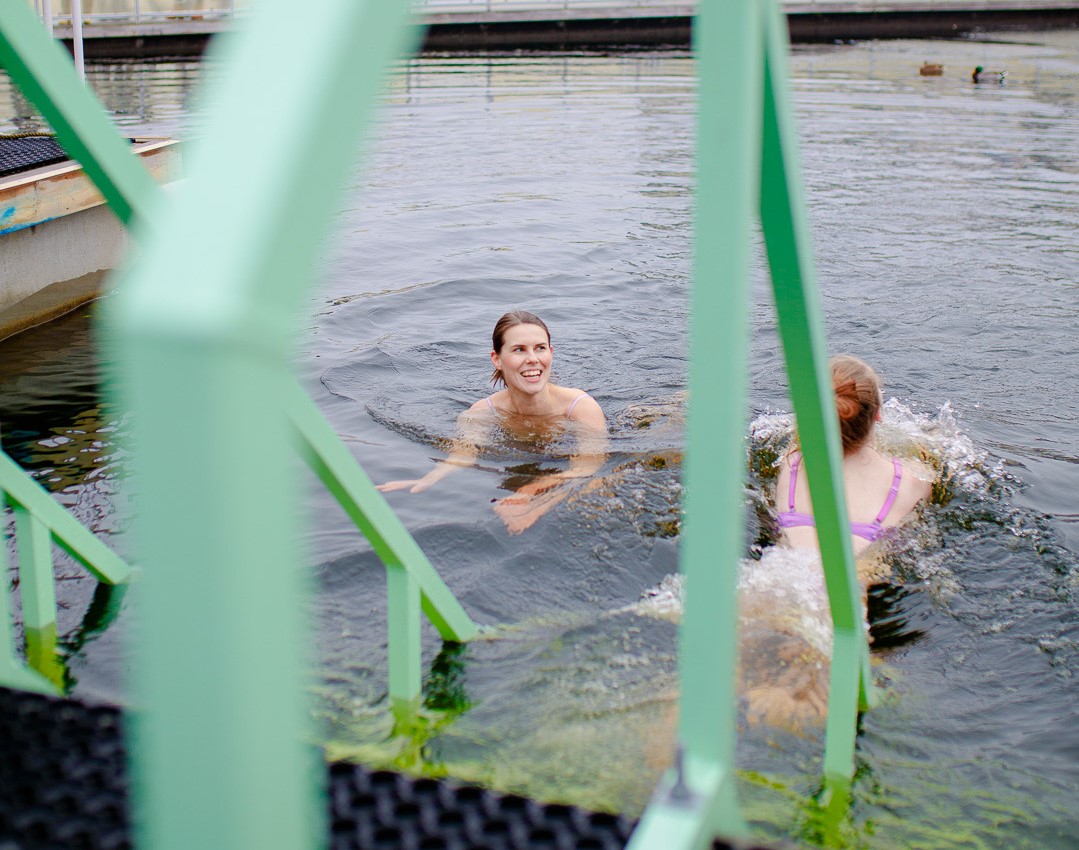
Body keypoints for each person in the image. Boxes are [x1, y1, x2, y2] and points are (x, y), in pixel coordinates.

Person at [377, 310, 607, 534]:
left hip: (561, 467)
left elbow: (587, 467)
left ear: (551, 352)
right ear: (497, 359)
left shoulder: (580, 407)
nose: (532, 359)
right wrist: (428, 479)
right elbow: (463, 455)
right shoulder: (482, 412)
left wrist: (533, 494)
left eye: (540, 348)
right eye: (519, 350)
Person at [775, 354, 932, 559]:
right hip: (853, 574)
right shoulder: (911, 482)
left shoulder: (791, 463)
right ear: (877, 413)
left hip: (778, 569)